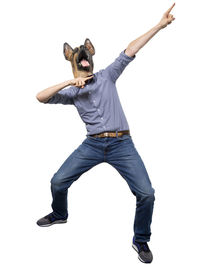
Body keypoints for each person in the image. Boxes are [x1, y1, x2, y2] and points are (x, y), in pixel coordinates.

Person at [36, 3, 175, 264]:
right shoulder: (71, 94)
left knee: (147, 193)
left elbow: (130, 50)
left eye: (85, 52)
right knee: (57, 182)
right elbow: (40, 97)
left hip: (122, 144)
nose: (82, 55)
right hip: (92, 145)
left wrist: (159, 25)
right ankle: (59, 213)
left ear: (91, 55)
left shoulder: (107, 75)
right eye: (77, 54)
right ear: (70, 59)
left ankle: (140, 239)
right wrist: (68, 82)